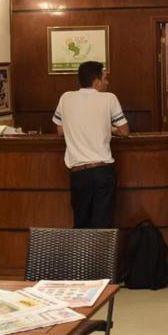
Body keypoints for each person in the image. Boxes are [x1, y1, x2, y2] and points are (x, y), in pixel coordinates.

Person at [53, 61, 129, 228]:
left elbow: (60, 130)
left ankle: (82, 247)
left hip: (78, 173)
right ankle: (101, 247)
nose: (107, 82)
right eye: (105, 78)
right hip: (102, 171)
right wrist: (109, 128)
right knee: (102, 227)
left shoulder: (66, 98)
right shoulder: (109, 98)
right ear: (96, 81)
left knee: (81, 226)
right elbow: (124, 131)